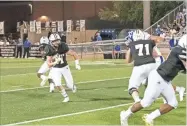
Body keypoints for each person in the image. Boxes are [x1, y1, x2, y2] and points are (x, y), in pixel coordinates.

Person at [120, 34, 187, 126]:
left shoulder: (180, 50)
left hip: (165, 80)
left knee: (173, 103)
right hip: (158, 78)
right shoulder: (179, 51)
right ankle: (125, 114)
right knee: (145, 103)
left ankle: (150, 117)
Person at [43, 33, 81, 102]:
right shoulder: (48, 48)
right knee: (57, 84)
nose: (57, 42)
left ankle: (72, 86)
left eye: (58, 40)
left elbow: (74, 53)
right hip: (55, 69)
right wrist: (55, 62)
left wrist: (77, 64)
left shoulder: (63, 46)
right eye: (54, 41)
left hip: (65, 67)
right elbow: (48, 64)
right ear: (51, 42)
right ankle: (66, 96)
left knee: (70, 85)